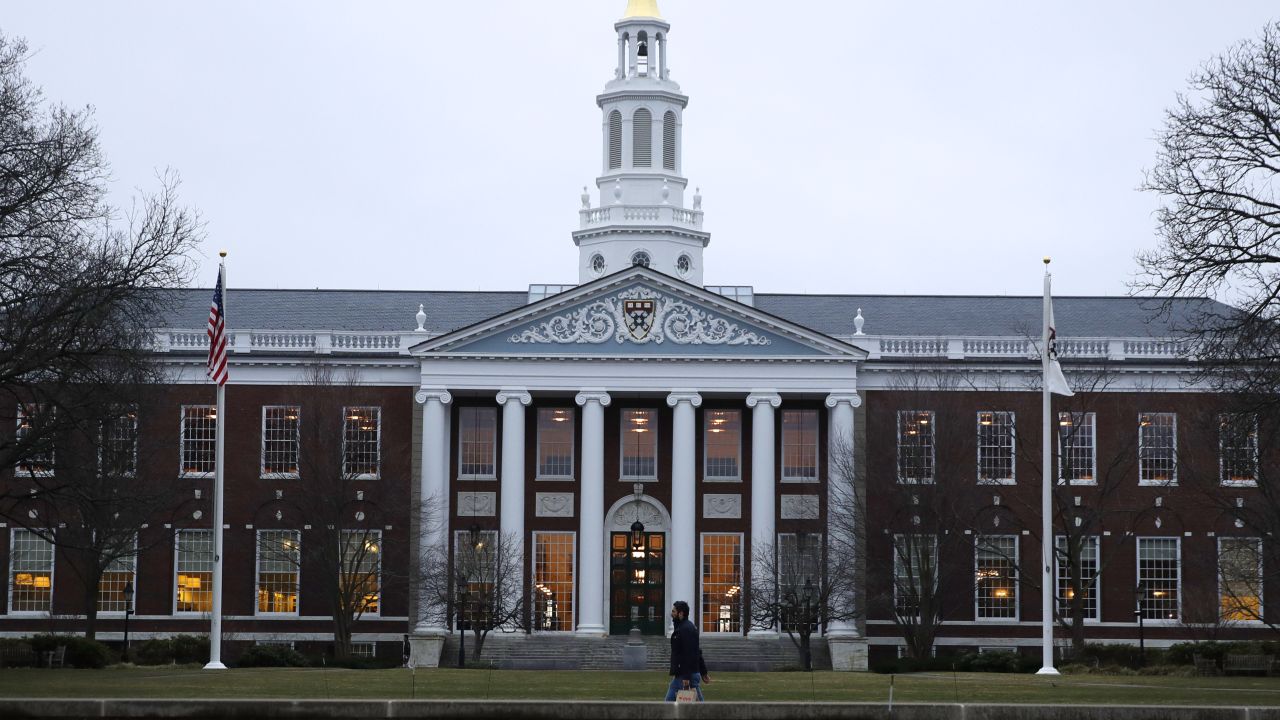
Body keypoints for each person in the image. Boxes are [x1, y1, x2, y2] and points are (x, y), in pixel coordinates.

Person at [666, 600, 704, 701]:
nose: (671, 613)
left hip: (685, 675)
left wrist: (687, 678)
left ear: (681, 613)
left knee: (669, 702)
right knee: (697, 703)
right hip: (683, 674)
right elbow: (696, 651)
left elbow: (690, 654)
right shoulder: (682, 628)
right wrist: (703, 672)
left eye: (674, 611)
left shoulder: (686, 629)